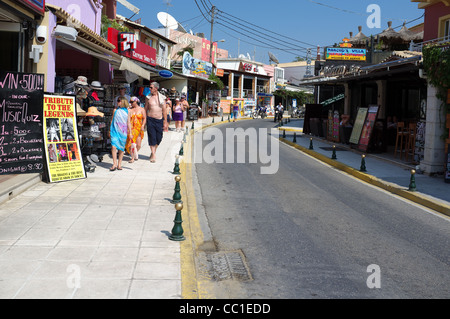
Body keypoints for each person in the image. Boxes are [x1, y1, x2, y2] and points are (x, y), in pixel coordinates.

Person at [145, 82, 168, 163]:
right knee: (152, 137)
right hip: (150, 119)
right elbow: (145, 109)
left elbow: (164, 110)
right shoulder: (148, 97)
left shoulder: (162, 98)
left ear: (156, 88)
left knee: (159, 137)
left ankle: (153, 151)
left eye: (151, 87)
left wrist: (165, 121)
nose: (149, 89)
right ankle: (154, 155)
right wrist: (144, 120)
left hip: (159, 119)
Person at [110, 97, 129, 171]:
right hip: (114, 130)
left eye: (119, 101)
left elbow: (129, 122)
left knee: (121, 148)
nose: (117, 102)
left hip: (123, 132)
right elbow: (112, 120)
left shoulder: (127, 111)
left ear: (123, 101)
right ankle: (114, 164)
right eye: (117, 101)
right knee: (113, 147)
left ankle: (119, 164)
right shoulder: (115, 110)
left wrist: (130, 132)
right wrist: (109, 130)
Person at [126, 96, 147, 163]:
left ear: (136, 101)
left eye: (132, 102)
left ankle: (134, 153)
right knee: (132, 144)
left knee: (138, 145)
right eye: (130, 102)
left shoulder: (142, 109)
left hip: (139, 129)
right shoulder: (130, 110)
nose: (131, 103)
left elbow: (144, 118)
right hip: (131, 129)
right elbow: (127, 120)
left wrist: (143, 125)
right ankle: (132, 157)